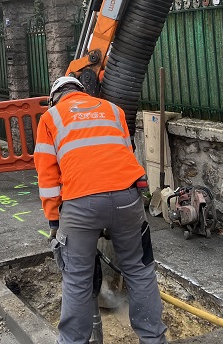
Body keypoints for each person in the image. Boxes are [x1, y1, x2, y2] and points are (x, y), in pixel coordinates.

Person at [34, 76, 167, 344]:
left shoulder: (50, 118)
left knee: (77, 279)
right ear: (83, 92)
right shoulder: (113, 110)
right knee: (139, 270)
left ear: (54, 98)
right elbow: (125, 152)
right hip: (127, 198)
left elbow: (47, 177)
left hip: (80, 204)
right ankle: (154, 340)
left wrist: (53, 222)